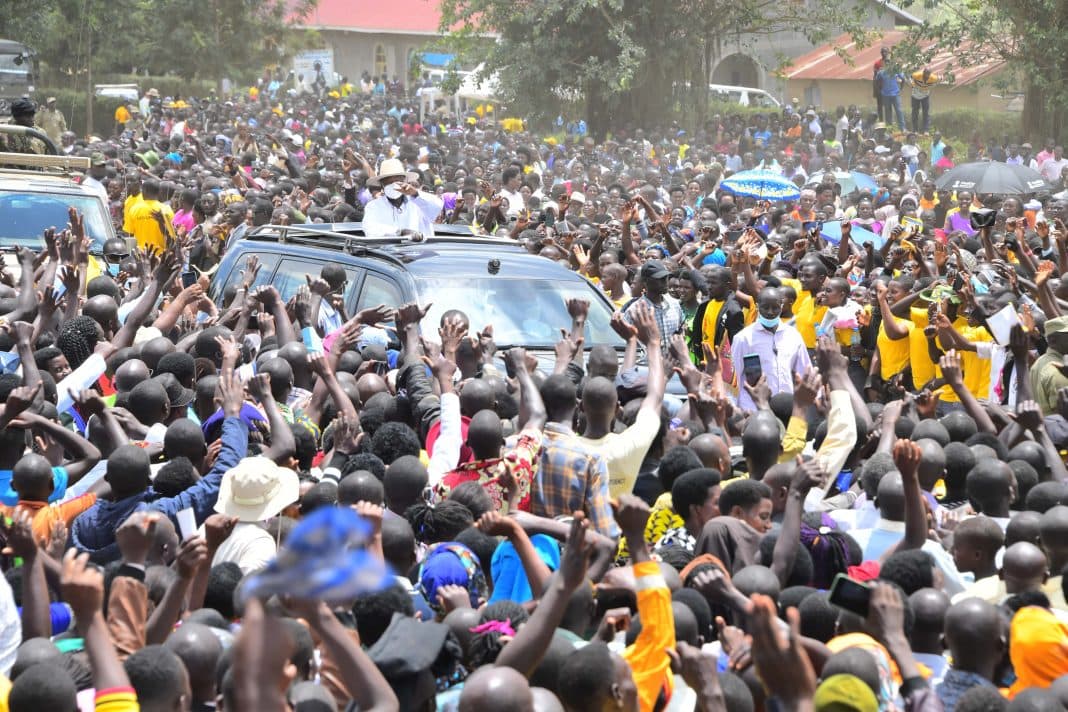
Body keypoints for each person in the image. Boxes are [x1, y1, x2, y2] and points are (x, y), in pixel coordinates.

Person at [731, 287, 811, 412]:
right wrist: (735, 409)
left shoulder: (793, 335)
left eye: (775, 307)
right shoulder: (743, 338)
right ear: (757, 306)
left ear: (782, 306)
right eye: (765, 307)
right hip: (753, 409)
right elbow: (734, 376)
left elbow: (805, 371)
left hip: (786, 408)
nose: (770, 312)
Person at [362, 158, 444, 237]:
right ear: (382, 185)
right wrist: (399, 232)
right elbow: (370, 230)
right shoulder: (373, 206)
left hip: (418, 250)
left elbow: (437, 206)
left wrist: (415, 193)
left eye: (397, 182)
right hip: (388, 250)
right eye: (389, 183)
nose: (394, 185)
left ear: (405, 181)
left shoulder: (418, 202)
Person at [909, 68, 937, 134]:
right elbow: (910, 77)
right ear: (923, 73)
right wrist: (912, 84)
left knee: (926, 113)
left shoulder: (933, 77)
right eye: (925, 75)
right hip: (915, 96)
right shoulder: (917, 75)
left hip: (925, 96)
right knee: (915, 113)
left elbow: (940, 78)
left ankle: (926, 130)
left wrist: (933, 86)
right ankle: (915, 130)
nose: (927, 77)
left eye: (928, 75)